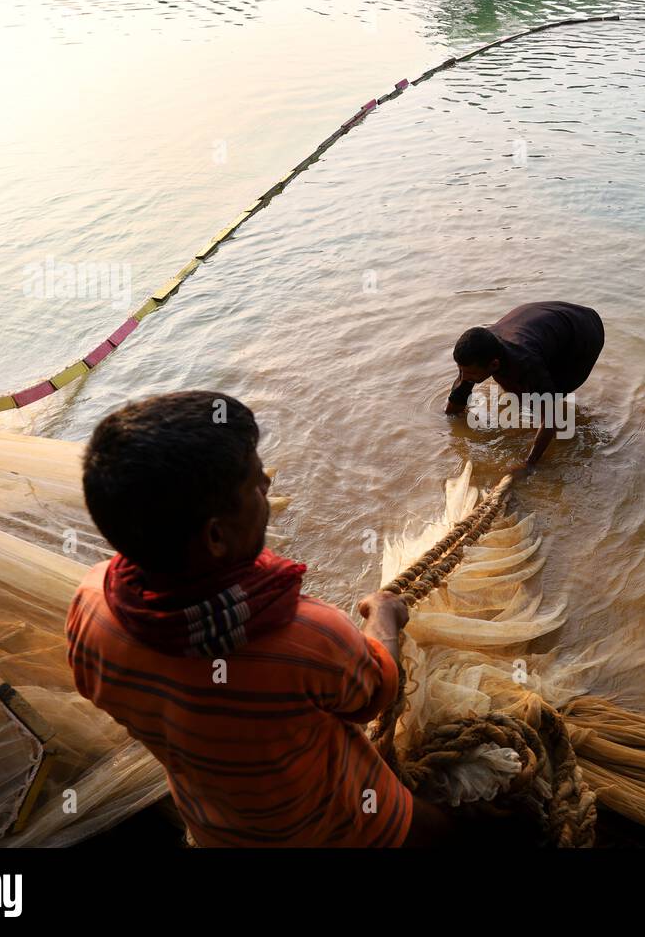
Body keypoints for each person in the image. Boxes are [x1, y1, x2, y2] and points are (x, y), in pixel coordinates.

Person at [65, 390, 452, 846]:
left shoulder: (91, 606)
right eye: (253, 481)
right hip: (343, 825)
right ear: (215, 535)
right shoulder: (307, 636)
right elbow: (375, 695)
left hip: (215, 828)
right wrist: (383, 618)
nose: (267, 484)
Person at [445, 301, 603, 467]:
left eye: (471, 373)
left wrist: (528, 464)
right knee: (523, 393)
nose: (465, 377)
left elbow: (551, 420)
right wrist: (451, 424)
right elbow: (456, 402)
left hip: (584, 332)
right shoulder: (476, 353)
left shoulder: (526, 363)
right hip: (546, 324)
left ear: (494, 365)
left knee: (551, 397)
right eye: (461, 370)